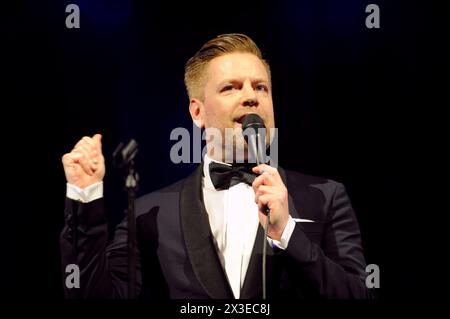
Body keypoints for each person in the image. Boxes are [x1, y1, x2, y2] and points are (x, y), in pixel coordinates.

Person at [61, 33, 373, 299]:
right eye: (231, 87)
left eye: (261, 87)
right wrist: (84, 196)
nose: (251, 96)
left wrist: (288, 233)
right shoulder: (148, 214)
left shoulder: (325, 196)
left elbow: (358, 293)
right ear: (197, 113)